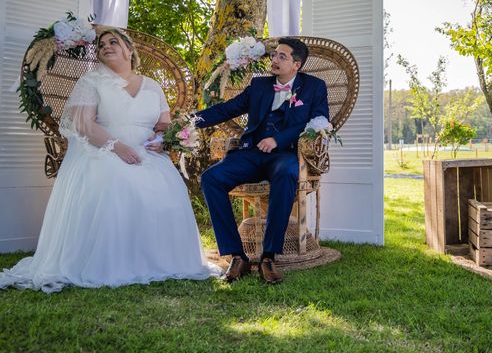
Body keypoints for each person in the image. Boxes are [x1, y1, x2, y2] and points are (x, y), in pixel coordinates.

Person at [0, 28, 222, 293]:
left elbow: (163, 123)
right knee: (117, 182)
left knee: (168, 186)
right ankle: (111, 262)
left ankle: (160, 260)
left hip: (147, 151)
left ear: (130, 50)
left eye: (114, 41)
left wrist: (162, 139)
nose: (106, 46)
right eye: (102, 44)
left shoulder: (152, 85)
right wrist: (117, 147)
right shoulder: (91, 82)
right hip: (102, 148)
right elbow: (83, 125)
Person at [196, 37, 329, 285]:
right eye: (274, 55)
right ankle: (238, 256)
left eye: (282, 56)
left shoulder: (315, 87)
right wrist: (190, 123)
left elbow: (318, 121)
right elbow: (227, 109)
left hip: (286, 154)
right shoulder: (259, 86)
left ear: (296, 65)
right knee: (211, 178)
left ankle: (268, 257)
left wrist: (279, 139)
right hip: (250, 152)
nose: (274, 60)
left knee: (286, 173)